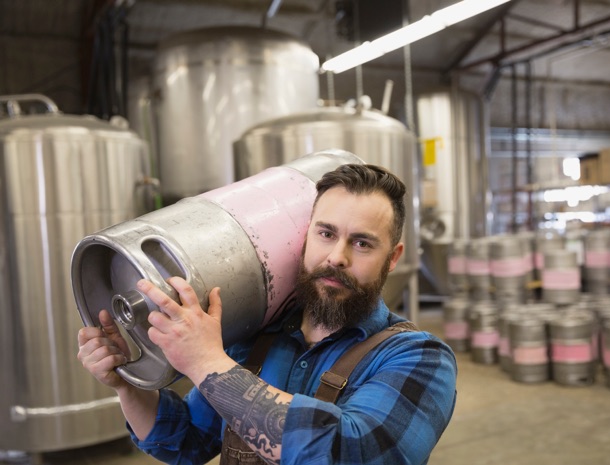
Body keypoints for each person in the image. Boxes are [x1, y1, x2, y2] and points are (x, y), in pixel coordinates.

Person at [78, 163, 457, 465]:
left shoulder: (420, 359)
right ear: (306, 236)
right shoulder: (258, 340)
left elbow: (351, 451)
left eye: (361, 243)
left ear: (392, 258)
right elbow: (186, 443)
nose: (336, 257)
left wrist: (206, 362)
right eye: (326, 233)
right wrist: (126, 384)